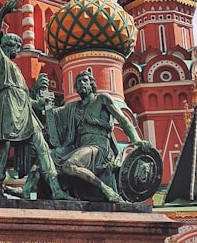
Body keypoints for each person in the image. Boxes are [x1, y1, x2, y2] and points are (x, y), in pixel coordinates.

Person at [0, 0, 69, 200]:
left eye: (19, 45)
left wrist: (37, 103)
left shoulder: (16, 70)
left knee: (42, 147)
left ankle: (56, 189)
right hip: (7, 107)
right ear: (5, 45)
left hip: (25, 110)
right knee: (4, 147)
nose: (18, 48)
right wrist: (2, 13)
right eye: (15, 45)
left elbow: (23, 96)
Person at [45, 68, 145, 202]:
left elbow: (123, 120)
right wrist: (42, 101)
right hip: (79, 147)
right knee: (47, 156)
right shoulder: (73, 107)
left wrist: (136, 140)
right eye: (79, 81)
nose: (81, 84)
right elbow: (53, 114)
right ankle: (31, 189)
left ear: (92, 84)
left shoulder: (102, 99)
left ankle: (106, 189)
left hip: (98, 147)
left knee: (69, 166)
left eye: (85, 80)